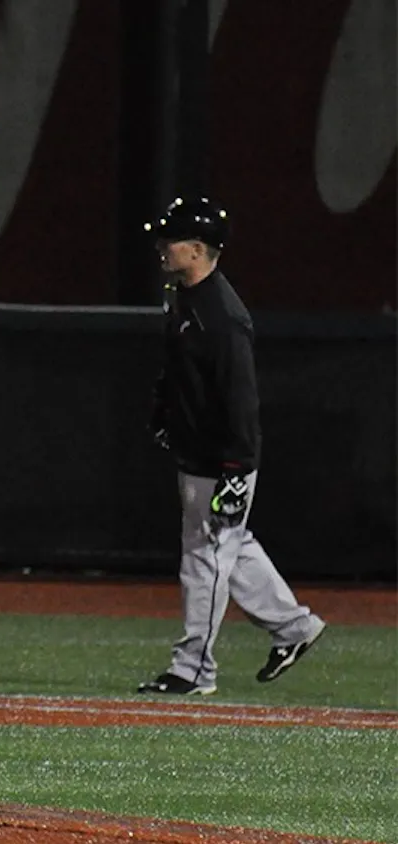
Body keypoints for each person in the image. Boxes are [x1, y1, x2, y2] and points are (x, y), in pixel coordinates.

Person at [136, 196, 328, 696]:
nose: (162, 246)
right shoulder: (187, 299)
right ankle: (294, 628)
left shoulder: (221, 316)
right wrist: (165, 413)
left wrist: (236, 470)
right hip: (201, 451)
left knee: (204, 557)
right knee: (230, 547)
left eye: (171, 239)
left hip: (220, 459)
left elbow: (241, 402)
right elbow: (178, 371)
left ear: (197, 249)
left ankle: (193, 668)